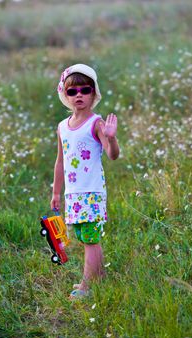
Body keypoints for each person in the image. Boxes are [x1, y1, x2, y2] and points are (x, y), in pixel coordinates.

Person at [50, 63, 120, 299]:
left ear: (93, 93)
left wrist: (112, 139)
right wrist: (56, 193)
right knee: (84, 237)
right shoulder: (62, 127)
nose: (78, 95)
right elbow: (60, 161)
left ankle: (87, 286)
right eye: (72, 91)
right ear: (65, 95)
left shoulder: (96, 124)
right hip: (73, 194)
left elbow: (112, 155)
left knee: (91, 239)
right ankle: (98, 279)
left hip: (91, 191)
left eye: (84, 90)